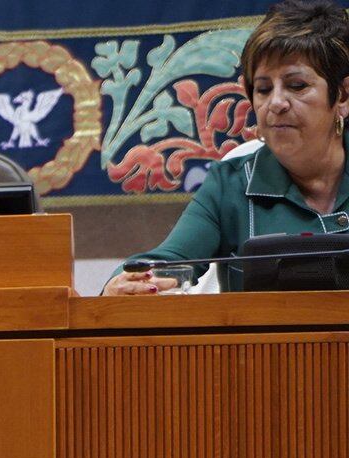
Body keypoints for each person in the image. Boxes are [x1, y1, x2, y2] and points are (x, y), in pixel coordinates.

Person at [106, 0, 349, 294]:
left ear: (343, 96)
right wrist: (125, 285)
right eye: (263, 89)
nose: (276, 103)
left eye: (296, 86)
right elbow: (167, 260)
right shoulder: (231, 184)